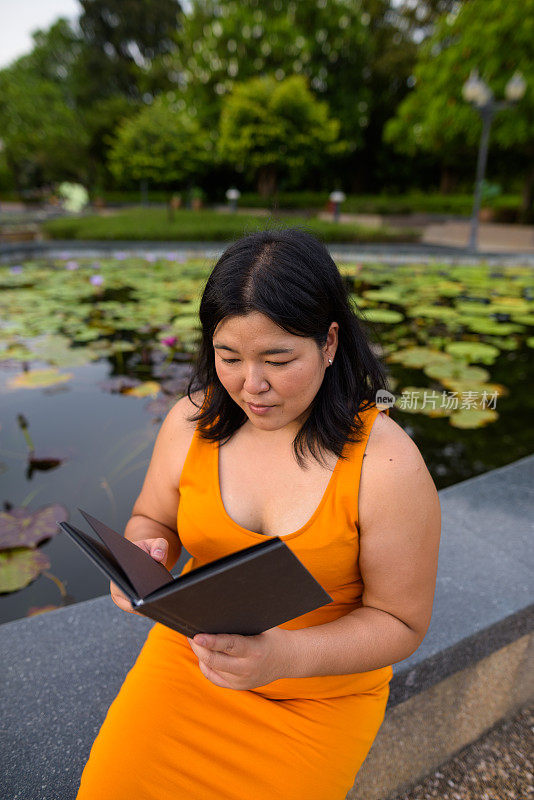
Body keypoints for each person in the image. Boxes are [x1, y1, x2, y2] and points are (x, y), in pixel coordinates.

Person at [75, 227, 441, 800]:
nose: (253, 385)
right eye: (228, 357)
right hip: (192, 657)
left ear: (328, 343)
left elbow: (402, 621)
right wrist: (147, 555)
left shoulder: (387, 464)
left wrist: (284, 656)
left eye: (278, 358)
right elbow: (152, 520)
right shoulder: (189, 424)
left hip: (319, 692)